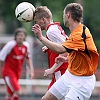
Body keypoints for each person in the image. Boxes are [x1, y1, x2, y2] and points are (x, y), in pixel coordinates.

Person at [32, 3, 99, 100]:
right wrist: (67, 59)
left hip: (82, 82)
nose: (63, 17)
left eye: (64, 14)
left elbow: (60, 49)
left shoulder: (79, 34)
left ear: (68, 15)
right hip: (69, 75)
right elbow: (78, 51)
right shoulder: (77, 30)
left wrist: (41, 37)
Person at [33, 6, 68, 90]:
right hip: (59, 73)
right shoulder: (54, 28)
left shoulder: (51, 31)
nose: (35, 24)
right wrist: (49, 47)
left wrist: (51, 69)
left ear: (43, 20)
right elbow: (66, 42)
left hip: (61, 72)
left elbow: (67, 48)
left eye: (36, 22)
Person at [0, 28, 34, 100]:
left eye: (22, 35)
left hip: (17, 73)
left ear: (24, 37)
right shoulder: (11, 45)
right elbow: (1, 58)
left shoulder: (26, 46)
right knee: (18, 92)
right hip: (8, 72)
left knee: (9, 94)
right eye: (18, 35)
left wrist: (31, 71)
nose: (20, 37)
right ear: (15, 36)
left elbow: (28, 58)